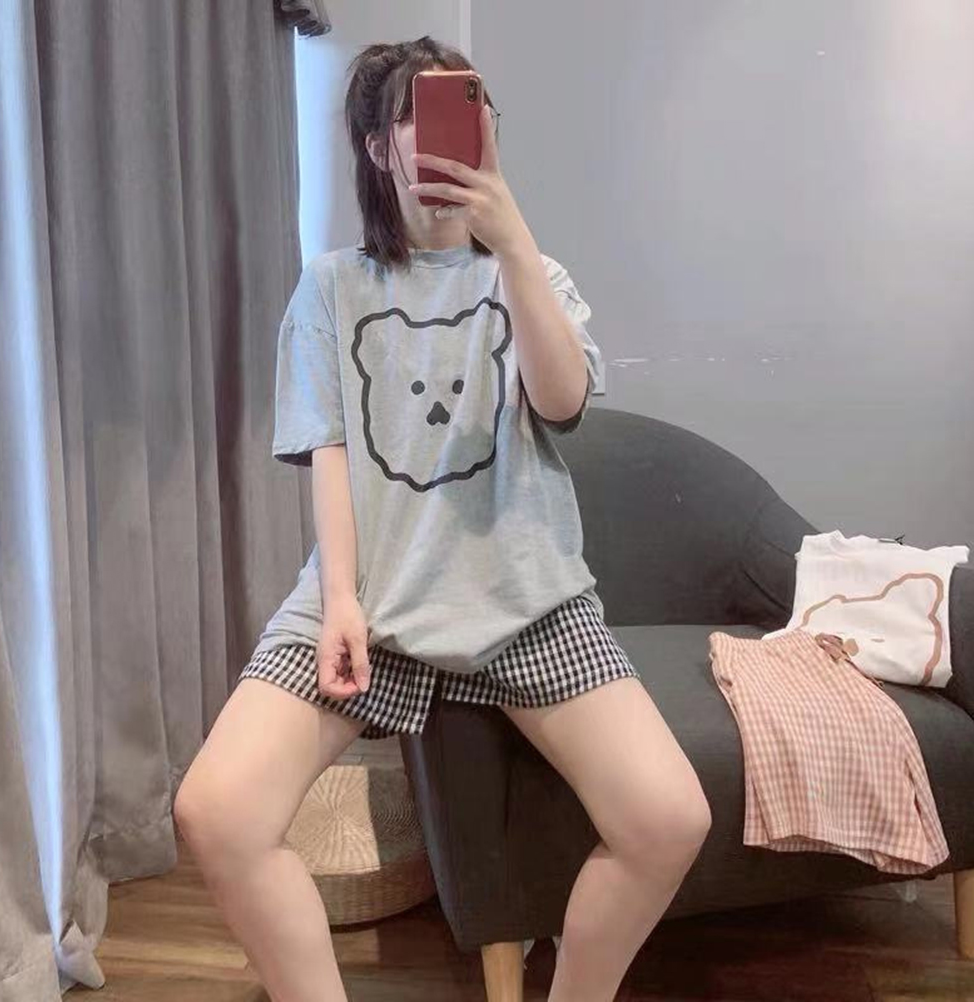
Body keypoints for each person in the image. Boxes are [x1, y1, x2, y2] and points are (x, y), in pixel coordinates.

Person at [175, 36, 711, 1002]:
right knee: (215, 813)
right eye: (416, 113)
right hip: (371, 600)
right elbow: (330, 453)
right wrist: (341, 597)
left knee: (669, 819)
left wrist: (514, 244)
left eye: (469, 106)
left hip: (526, 599)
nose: (450, 132)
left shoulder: (531, 271)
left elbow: (561, 403)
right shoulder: (333, 287)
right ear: (378, 146)